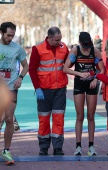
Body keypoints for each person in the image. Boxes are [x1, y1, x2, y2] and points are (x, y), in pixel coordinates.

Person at [29, 27, 69, 156]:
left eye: (60, 39)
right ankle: (44, 146)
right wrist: (37, 88)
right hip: (44, 90)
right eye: (57, 40)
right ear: (49, 38)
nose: (59, 42)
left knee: (59, 118)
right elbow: (32, 69)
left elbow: (69, 64)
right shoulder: (38, 48)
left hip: (60, 89)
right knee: (44, 118)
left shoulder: (64, 47)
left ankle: (58, 147)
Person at [63, 32, 104, 156]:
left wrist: (96, 79)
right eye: (84, 46)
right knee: (80, 115)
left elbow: (102, 69)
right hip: (79, 84)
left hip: (91, 84)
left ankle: (91, 146)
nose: (86, 48)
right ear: (80, 43)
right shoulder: (75, 51)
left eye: (88, 45)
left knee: (91, 116)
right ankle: (78, 146)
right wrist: (79, 74)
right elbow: (65, 68)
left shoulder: (95, 51)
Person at [0, 22, 28, 164]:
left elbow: (25, 66)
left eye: (12, 35)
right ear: (1, 32)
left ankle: (6, 151)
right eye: (8, 35)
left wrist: (20, 78)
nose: (10, 38)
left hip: (11, 88)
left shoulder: (17, 49)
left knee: (9, 119)